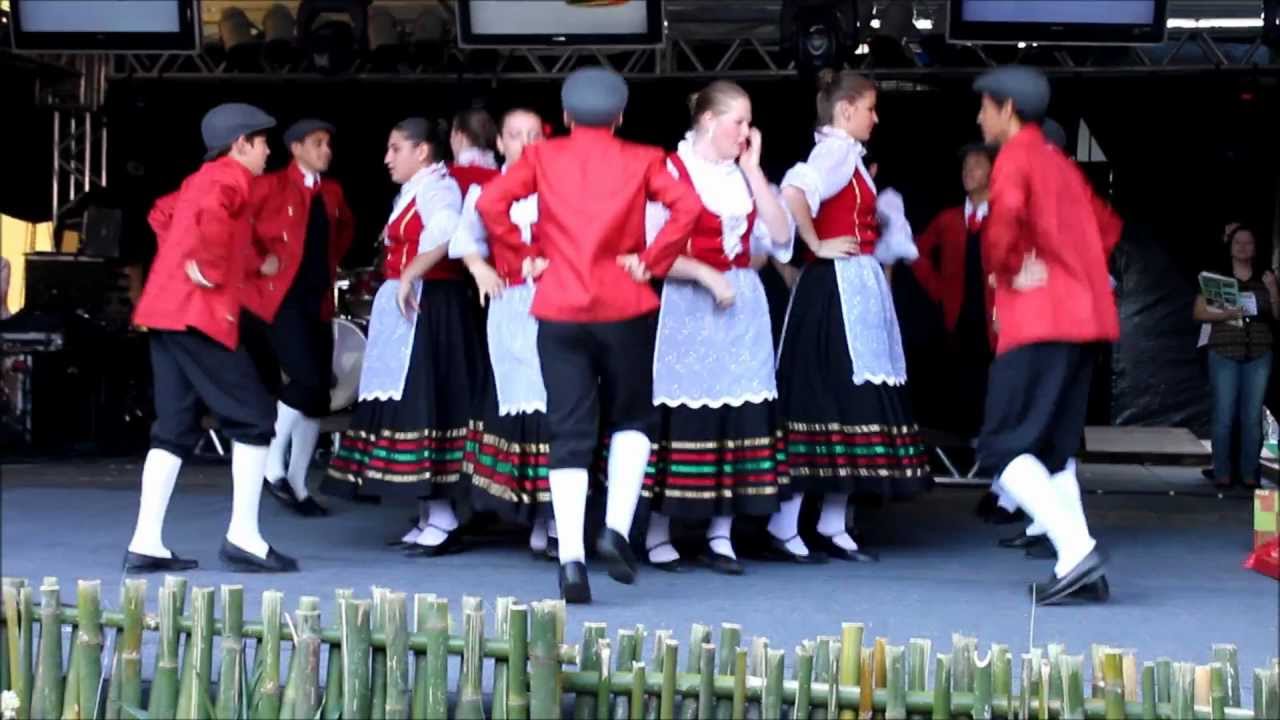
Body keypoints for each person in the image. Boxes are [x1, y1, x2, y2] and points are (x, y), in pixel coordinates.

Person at [477, 67, 701, 603]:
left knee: (569, 432)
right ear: (621, 116)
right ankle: (616, 531)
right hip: (624, 303)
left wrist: (521, 257)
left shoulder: (541, 156)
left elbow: (490, 204)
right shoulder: (644, 158)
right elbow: (688, 207)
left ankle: (571, 560)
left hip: (559, 306)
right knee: (632, 418)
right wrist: (651, 261)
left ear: (566, 116)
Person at [125, 103, 298, 573]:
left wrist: (207, 257)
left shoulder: (197, 181)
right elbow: (212, 225)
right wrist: (208, 264)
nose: (268, 153)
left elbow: (162, 215)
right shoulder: (230, 177)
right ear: (241, 143)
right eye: (263, 144)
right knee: (255, 416)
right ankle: (244, 535)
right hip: (197, 314)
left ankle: (146, 541)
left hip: (165, 313)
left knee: (174, 426)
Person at [972, 66, 1121, 604]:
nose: (980, 116)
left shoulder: (1016, 156)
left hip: (1041, 319)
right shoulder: (1060, 163)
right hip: (1085, 320)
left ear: (1008, 109)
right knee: (1054, 452)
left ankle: (1078, 551)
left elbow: (1001, 229)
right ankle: (1077, 563)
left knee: (1002, 446)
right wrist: (1070, 263)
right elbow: (1109, 228)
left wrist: (1013, 266)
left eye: (985, 106)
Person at [774, 70, 929, 564]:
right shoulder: (836, 150)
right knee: (827, 398)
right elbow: (794, 192)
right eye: (869, 107)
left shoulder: (851, 157)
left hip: (852, 289)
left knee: (853, 399)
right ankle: (788, 522)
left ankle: (832, 520)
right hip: (833, 290)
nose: (875, 117)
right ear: (845, 111)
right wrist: (815, 243)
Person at [641, 81, 794, 574]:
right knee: (681, 414)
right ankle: (659, 529)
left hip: (741, 308)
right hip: (688, 306)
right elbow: (654, 251)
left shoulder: (741, 174)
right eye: (740, 123)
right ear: (708, 121)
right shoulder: (672, 170)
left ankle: (720, 533)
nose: (747, 133)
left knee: (739, 412)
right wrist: (705, 273)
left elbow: (782, 235)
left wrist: (753, 171)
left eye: (749, 123)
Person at [324, 118, 478, 556]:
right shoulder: (416, 189)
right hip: (412, 306)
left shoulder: (437, 188)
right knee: (406, 402)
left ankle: (444, 514)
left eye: (396, 148)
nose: (387, 157)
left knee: (424, 403)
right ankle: (430, 511)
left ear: (422, 151)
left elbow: (447, 232)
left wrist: (410, 273)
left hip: (432, 308)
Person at [455, 108, 561, 557]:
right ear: (500, 143)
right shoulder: (484, 190)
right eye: (515, 135)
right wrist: (480, 270)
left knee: (558, 401)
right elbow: (465, 242)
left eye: (533, 134)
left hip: (558, 305)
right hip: (512, 308)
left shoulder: (560, 185)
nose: (524, 142)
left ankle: (556, 516)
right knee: (520, 404)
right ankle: (532, 511)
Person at [243, 119, 354, 517]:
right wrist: (260, 262)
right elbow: (239, 231)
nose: (326, 150)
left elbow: (343, 234)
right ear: (295, 148)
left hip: (317, 298)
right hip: (280, 299)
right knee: (306, 380)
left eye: (328, 143)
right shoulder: (269, 186)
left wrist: (328, 269)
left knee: (319, 394)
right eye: (318, 143)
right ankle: (272, 463)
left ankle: (298, 483)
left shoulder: (333, 192)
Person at [1194, 223, 1277, 489]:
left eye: (1248, 242)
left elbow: (1277, 316)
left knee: (1252, 415)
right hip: (1224, 350)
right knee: (1224, 412)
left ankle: (1250, 472)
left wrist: (1273, 288)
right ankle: (1222, 471)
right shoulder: (1217, 277)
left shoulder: (1265, 276)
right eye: (1238, 242)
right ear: (1230, 247)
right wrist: (1228, 314)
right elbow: (1198, 313)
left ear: (1255, 247)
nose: (1243, 247)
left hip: (1259, 351)